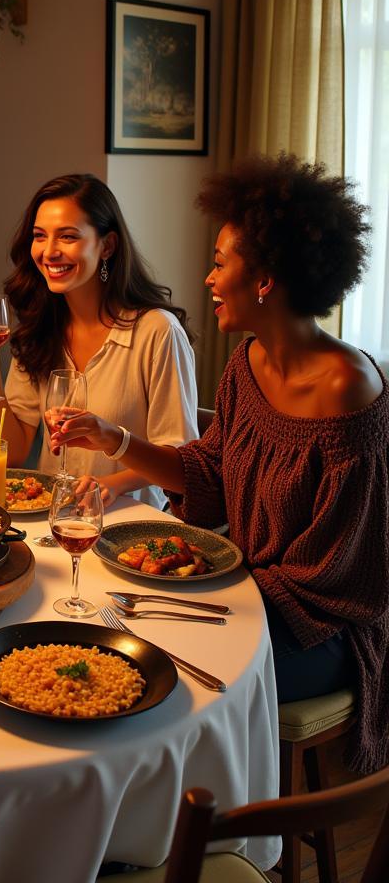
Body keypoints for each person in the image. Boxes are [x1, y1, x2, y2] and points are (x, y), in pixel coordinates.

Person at [54, 154, 388, 773]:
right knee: (117, 628)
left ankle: (206, 835)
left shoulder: (348, 388)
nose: (207, 278)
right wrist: (114, 438)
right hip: (254, 595)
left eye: (218, 263)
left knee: (158, 676)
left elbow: (342, 572)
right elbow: (208, 475)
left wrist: (215, 591)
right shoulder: (247, 364)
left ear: (263, 278)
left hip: (325, 630)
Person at [0, 173, 197, 507]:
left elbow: (181, 460)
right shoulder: (40, 329)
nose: (50, 252)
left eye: (68, 237)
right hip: (55, 518)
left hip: (130, 526)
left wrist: (112, 484)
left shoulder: (157, 331)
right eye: (40, 236)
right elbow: (12, 452)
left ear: (107, 246)